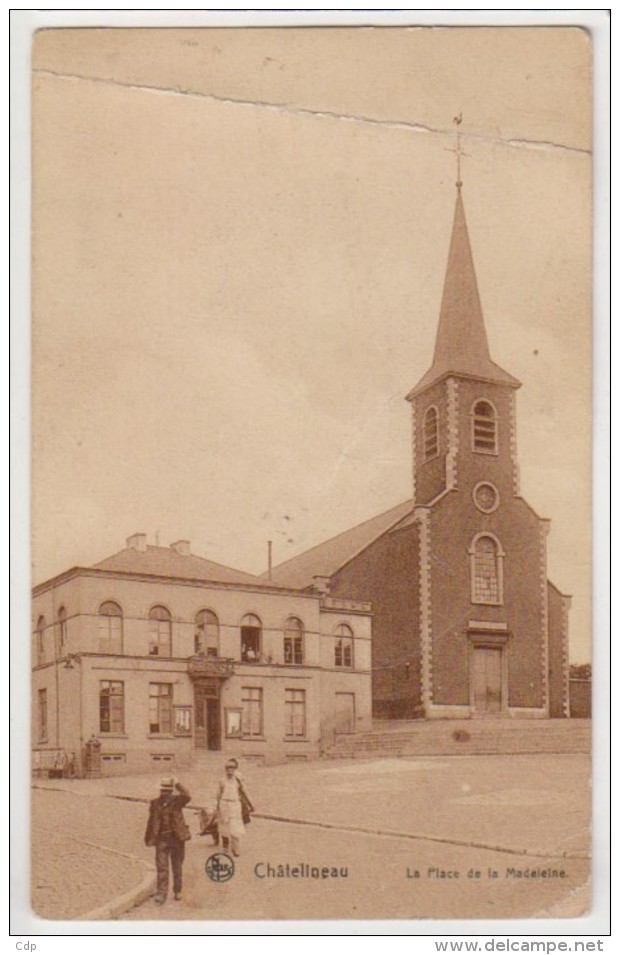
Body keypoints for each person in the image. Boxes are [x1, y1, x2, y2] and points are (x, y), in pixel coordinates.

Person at [144, 776, 191, 904]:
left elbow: (187, 795)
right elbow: (151, 822)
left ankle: (177, 890)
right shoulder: (155, 803)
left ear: (171, 791)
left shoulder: (178, 802)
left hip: (177, 839)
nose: (164, 793)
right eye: (162, 791)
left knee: (177, 866)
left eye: (167, 791)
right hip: (161, 840)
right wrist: (149, 838)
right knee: (161, 867)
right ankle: (161, 893)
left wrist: (178, 783)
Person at [216, 759, 254, 857]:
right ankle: (225, 847)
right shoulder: (222, 780)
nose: (229, 769)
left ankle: (235, 849)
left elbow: (245, 792)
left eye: (232, 767)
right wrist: (218, 808)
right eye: (227, 767)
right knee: (224, 826)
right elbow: (218, 794)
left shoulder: (238, 780)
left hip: (235, 805)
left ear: (235, 768)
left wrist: (251, 805)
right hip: (224, 804)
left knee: (235, 827)